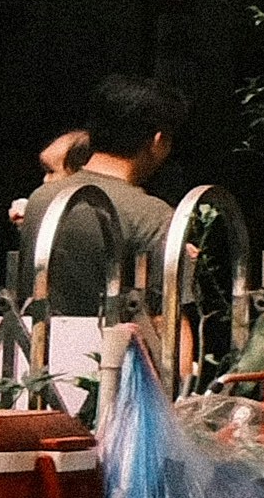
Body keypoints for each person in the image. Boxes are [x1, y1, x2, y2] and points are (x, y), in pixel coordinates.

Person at [20, 75, 181, 389]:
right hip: (111, 379)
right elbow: (168, 319)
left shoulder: (41, 200)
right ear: (158, 141)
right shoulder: (153, 215)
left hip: (39, 370)